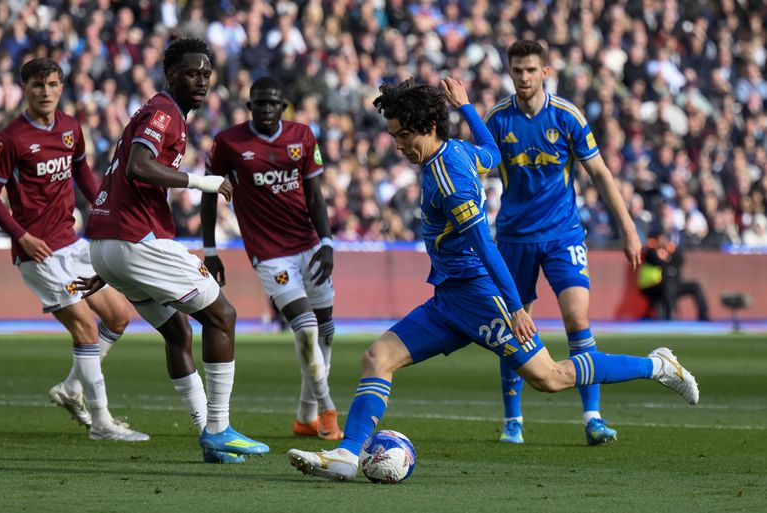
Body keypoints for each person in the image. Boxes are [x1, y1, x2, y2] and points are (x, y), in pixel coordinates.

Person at [287, 78, 698, 482]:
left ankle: (658, 366)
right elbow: (493, 151)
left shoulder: (449, 178)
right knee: (378, 358)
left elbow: (484, 244)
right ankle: (347, 455)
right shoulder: (460, 151)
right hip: (450, 298)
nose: (398, 145)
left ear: (428, 127)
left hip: (480, 296)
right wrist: (467, 107)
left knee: (549, 377)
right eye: (394, 135)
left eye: (403, 135)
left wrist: (515, 306)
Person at [81, 38, 267, 463]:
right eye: (191, 73)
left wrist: (111, 265)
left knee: (178, 333)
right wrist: (203, 182)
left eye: (206, 74)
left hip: (107, 244)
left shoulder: (159, 112)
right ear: (171, 75)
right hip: (134, 240)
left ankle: (208, 436)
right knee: (223, 317)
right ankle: (219, 428)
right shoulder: (164, 112)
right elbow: (138, 167)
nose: (201, 80)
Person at [483, 40, 643, 445]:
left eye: (530, 70)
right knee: (515, 327)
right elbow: (477, 172)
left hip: (562, 234)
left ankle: (593, 417)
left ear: (545, 72)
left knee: (577, 319)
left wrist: (628, 227)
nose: (524, 77)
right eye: (517, 70)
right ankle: (513, 420)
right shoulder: (497, 120)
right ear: (510, 72)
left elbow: (600, 173)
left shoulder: (567, 116)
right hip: (514, 238)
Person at [0, 58, 146, 442]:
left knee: (118, 317)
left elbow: (82, 172)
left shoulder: (70, 128)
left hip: (72, 242)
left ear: (61, 87)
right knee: (86, 328)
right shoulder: (11, 139)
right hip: (38, 253)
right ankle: (101, 423)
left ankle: (71, 388)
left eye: (52, 84)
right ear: (24, 89)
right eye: (37, 85)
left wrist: (105, 209)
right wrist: (21, 237)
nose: (45, 92)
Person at [201, 76, 342, 440]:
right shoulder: (228, 142)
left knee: (325, 333)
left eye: (272, 103)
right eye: (259, 103)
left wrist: (327, 242)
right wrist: (210, 250)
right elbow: (208, 193)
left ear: (283, 107)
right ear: (250, 107)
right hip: (270, 255)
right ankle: (327, 409)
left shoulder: (302, 136)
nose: (266, 109)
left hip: (309, 246)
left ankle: (305, 417)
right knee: (306, 329)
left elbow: (315, 194)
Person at [638, 229, 709, 321]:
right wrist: (667, 260)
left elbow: (680, 261)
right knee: (668, 285)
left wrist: (671, 251)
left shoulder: (672, 251)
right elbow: (659, 263)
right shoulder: (651, 251)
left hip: (675, 285)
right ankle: (670, 315)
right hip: (655, 285)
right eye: (661, 238)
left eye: (665, 238)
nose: (663, 241)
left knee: (695, 286)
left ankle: (703, 315)